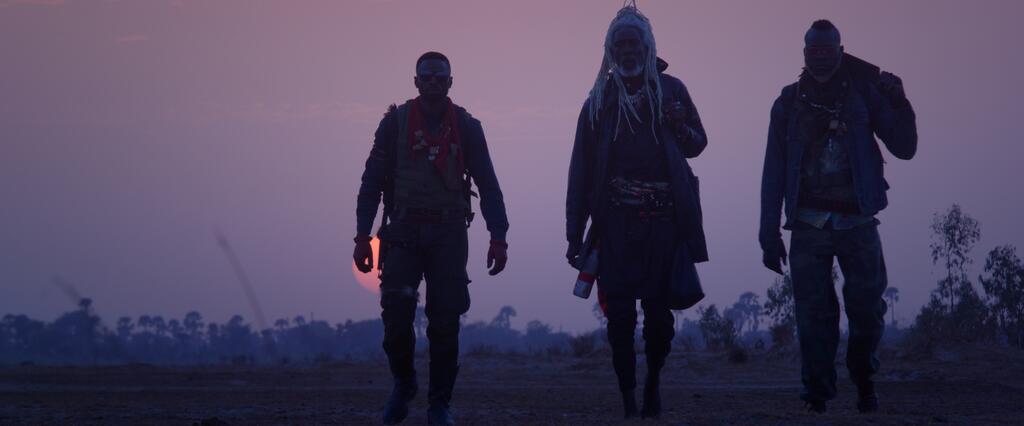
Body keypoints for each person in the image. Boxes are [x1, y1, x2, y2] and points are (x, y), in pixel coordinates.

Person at [759, 19, 917, 413]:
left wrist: (900, 101)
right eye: (815, 51)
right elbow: (773, 172)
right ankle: (817, 394)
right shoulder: (787, 104)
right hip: (808, 225)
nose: (822, 58)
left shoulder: (865, 94)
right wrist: (768, 234)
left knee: (867, 309)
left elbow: (905, 147)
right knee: (813, 315)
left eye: (829, 51)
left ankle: (864, 380)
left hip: (858, 222)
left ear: (841, 52)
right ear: (804, 54)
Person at [565, 5, 708, 420]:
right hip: (616, 226)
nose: (628, 49)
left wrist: (679, 124)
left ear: (648, 47)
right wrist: (574, 234)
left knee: (660, 321)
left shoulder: (672, 90)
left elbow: (698, 144)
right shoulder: (597, 102)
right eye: (620, 43)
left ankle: (652, 385)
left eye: (634, 42)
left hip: (664, 223)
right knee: (621, 321)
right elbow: (579, 173)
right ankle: (628, 397)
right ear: (610, 50)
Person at [354, 51, 509, 425]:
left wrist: (498, 236)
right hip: (403, 232)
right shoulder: (393, 124)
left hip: (449, 233)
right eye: (427, 77)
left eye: (441, 78)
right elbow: (371, 183)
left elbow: (488, 185)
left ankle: (439, 403)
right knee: (395, 315)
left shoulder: (468, 128)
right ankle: (404, 383)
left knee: (445, 321)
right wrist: (362, 236)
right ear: (416, 82)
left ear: (451, 83)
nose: (434, 83)